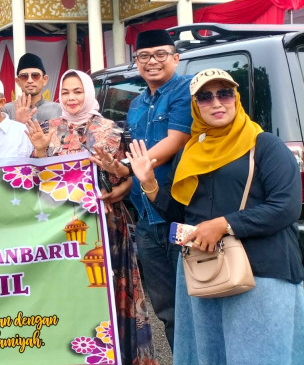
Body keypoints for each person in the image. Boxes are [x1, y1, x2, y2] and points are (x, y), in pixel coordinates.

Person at [128, 69, 304, 364]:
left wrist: (224, 224)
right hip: (205, 272)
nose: (216, 103)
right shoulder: (192, 151)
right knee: (210, 356)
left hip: (261, 273)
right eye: (205, 97)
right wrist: (150, 185)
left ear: (236, 98)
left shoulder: (264, 145)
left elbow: (286, 207)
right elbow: (180, 213)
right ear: (196, 105)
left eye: (224, 94)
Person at [31, 70, 157, 365]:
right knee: (69, 294)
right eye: (66, 92)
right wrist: (38, 152)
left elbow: (127, 176)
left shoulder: (111, 130)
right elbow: (35, 180)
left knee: (108, 293)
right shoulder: (49, 128)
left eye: (77, 91)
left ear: (88, 93)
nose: (72, 98)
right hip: (62, 231)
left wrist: (118, 181)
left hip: (106, 227)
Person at [113, 29, 192, 348]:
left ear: (176, 58)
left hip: (181, 218)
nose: (152, 62)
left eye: (161, 54)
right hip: (147, 222)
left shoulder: (186, 90)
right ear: (136, 62)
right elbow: (137, 160)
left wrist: (130, 167)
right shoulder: (135, 105)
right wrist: (122, 178)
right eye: (144, 56)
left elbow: (175, 141)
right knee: (167, 310)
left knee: (195, 303)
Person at [2, 53, 61, 124]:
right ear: (18, 82)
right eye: (24, 76)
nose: (30, 80)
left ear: (45, 80)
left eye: (35, 75)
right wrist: (17, 123)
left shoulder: (57, 109)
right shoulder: (6, 110)